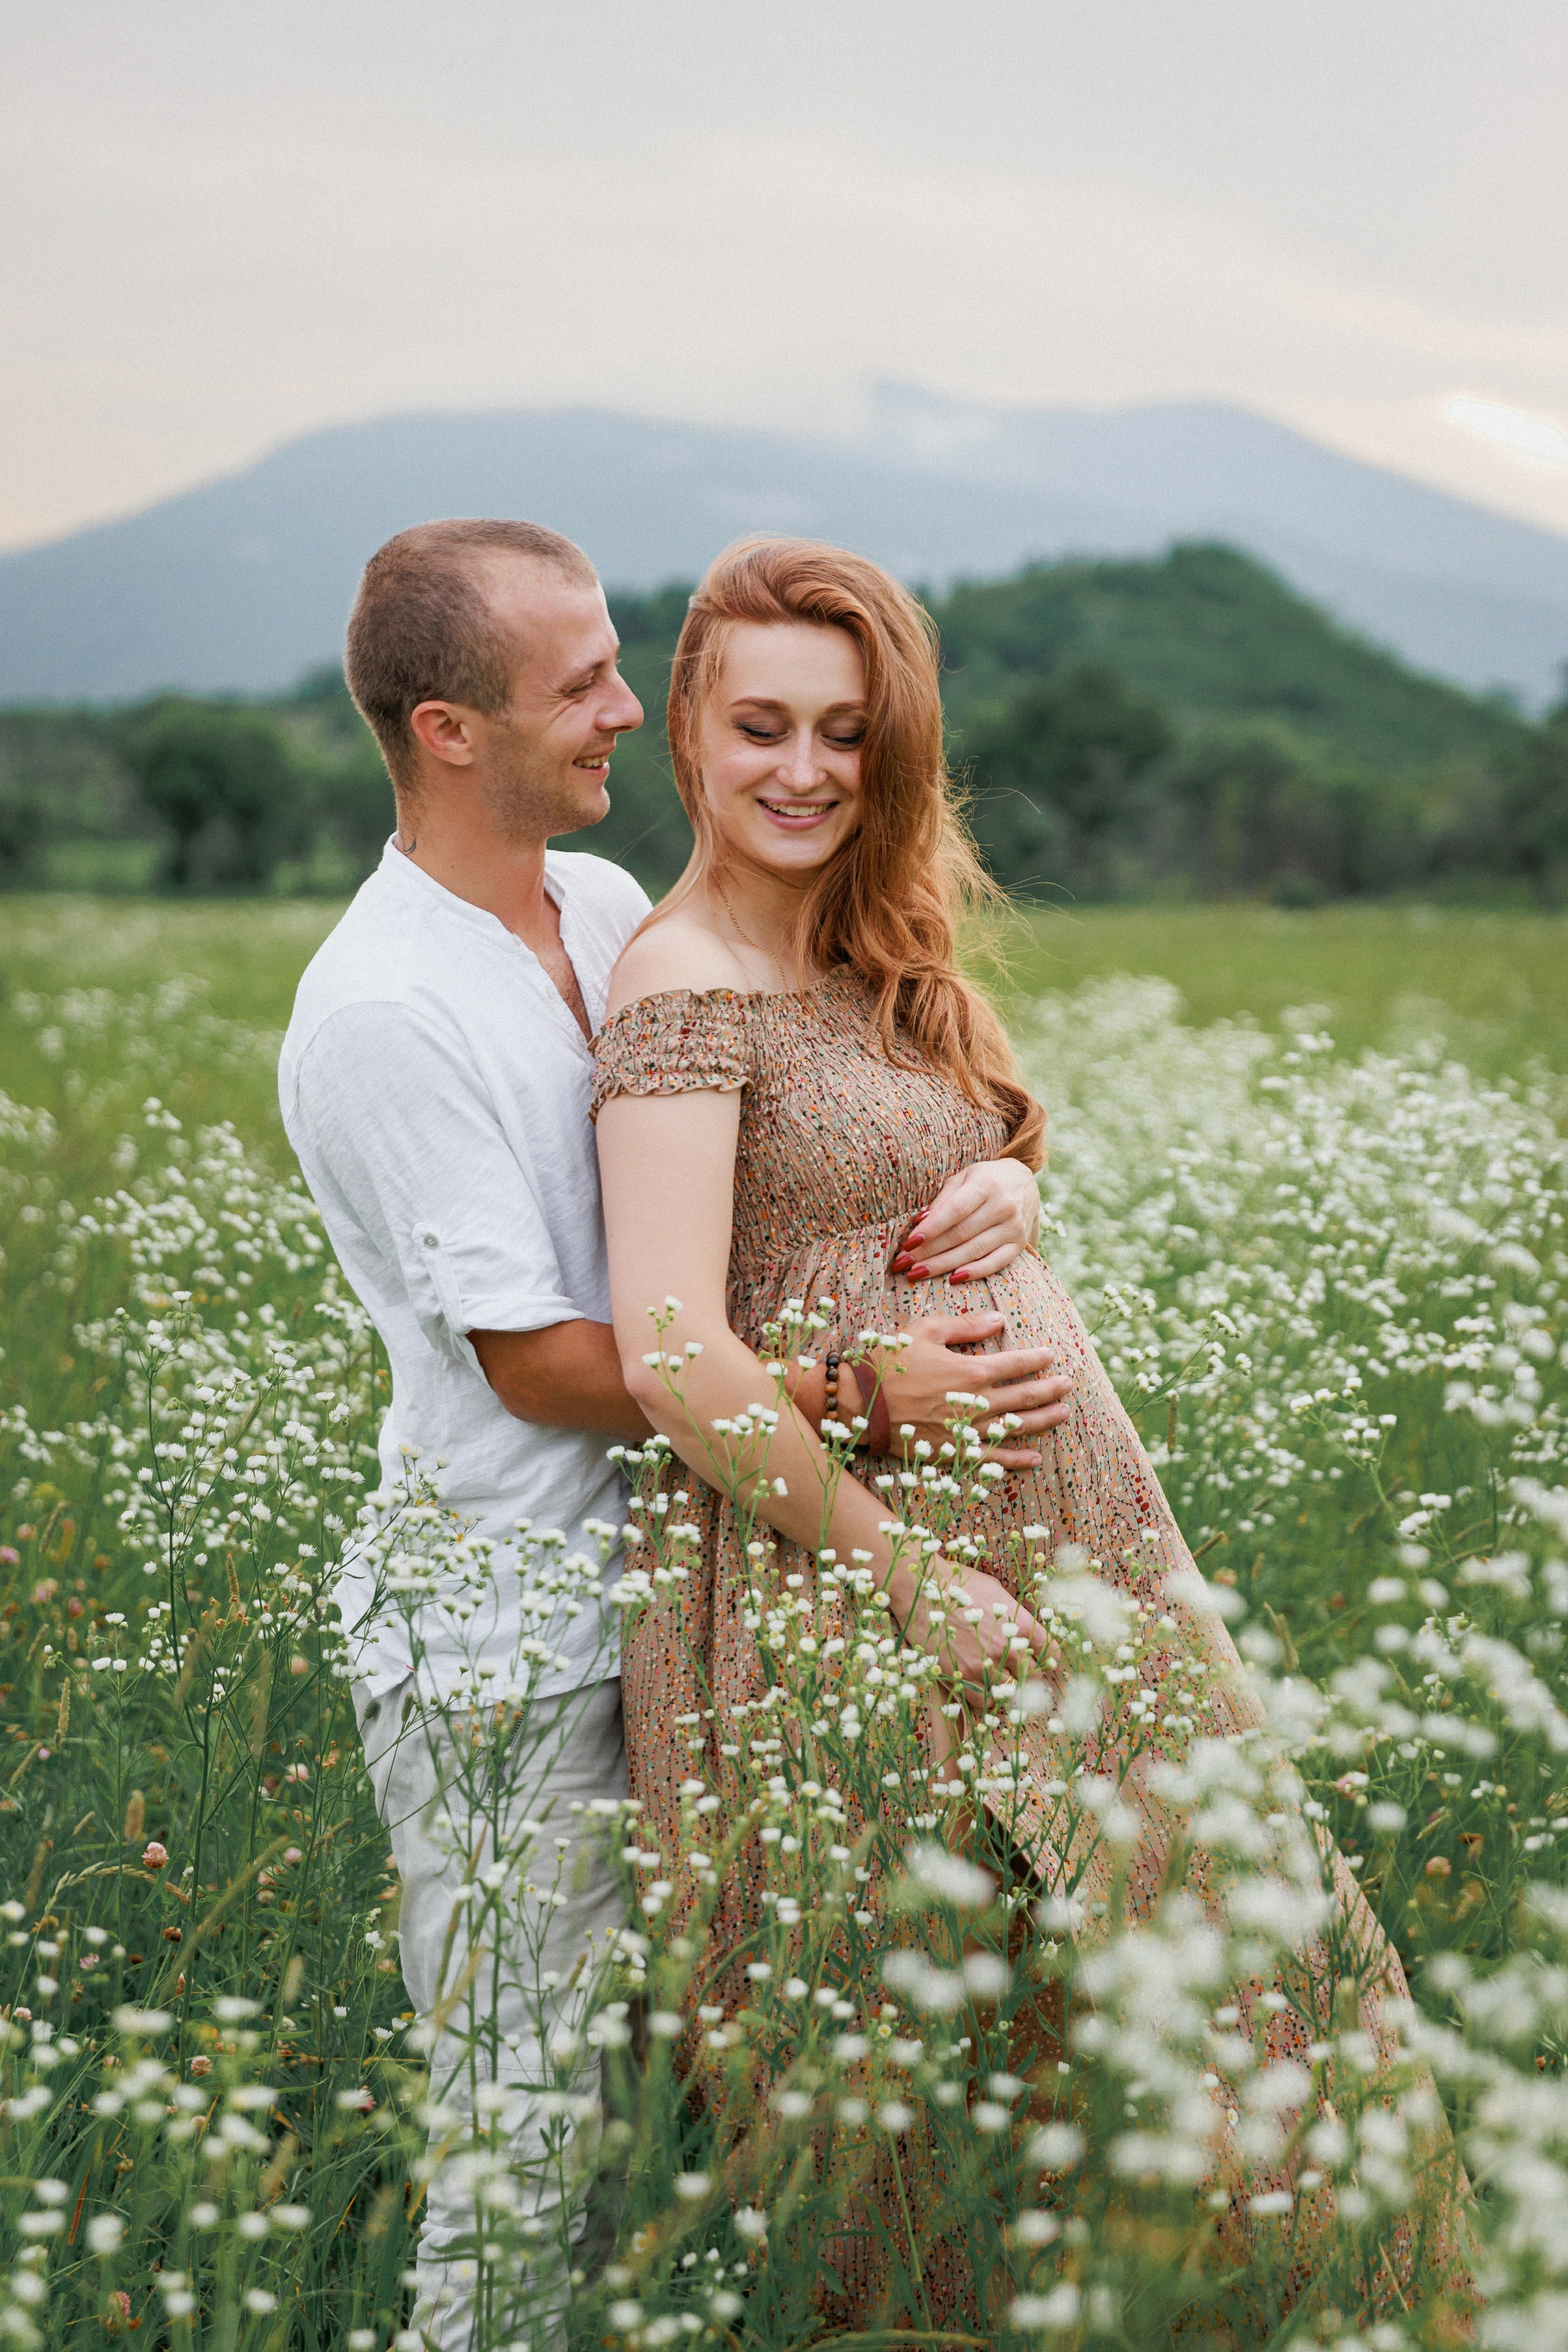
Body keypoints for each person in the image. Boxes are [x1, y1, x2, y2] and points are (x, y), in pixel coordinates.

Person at [590, 535, 1463, 2330]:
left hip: (1067, 1556)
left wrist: (1012, 1177)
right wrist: (916, 1581)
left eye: (848, 732)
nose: (806, 770)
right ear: (688, 727)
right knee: (912, 2084)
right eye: (763, 725)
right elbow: (673, 1357)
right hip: (848, 1588)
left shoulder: (870, 937)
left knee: (1226, 1976)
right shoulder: (683, 986)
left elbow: (910, 1163)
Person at [277, 517, 1069, 2350]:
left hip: (698, 1587)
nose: (633, 711)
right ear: (447, 730)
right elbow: (545, 1362)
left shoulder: (600, 904)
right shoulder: (386, 1009)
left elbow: (784, 1168)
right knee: (523, 2140)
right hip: (514, 1640)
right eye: (582, 686)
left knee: (713, 2113)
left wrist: (1006, 1175)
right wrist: (861, 1402)